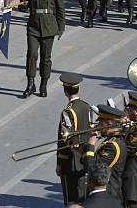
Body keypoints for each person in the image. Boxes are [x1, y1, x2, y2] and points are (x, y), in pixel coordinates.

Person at [20, 0, 65, 98]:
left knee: (46, 58)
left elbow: (61, 10)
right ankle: (30, 84)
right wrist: (22, 2)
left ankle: (43, 84)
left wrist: (60, 27)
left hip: (49, 27)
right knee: (32, 55)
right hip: (33, 27)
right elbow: (23, 7)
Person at [57, 72, 91, 205]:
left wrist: (60, 163)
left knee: (71, 199)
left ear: (65, 90)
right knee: (82, 195)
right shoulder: (86, 106)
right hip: (85, 158)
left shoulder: (68, 111)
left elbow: (63, 141)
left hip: (71, 162)